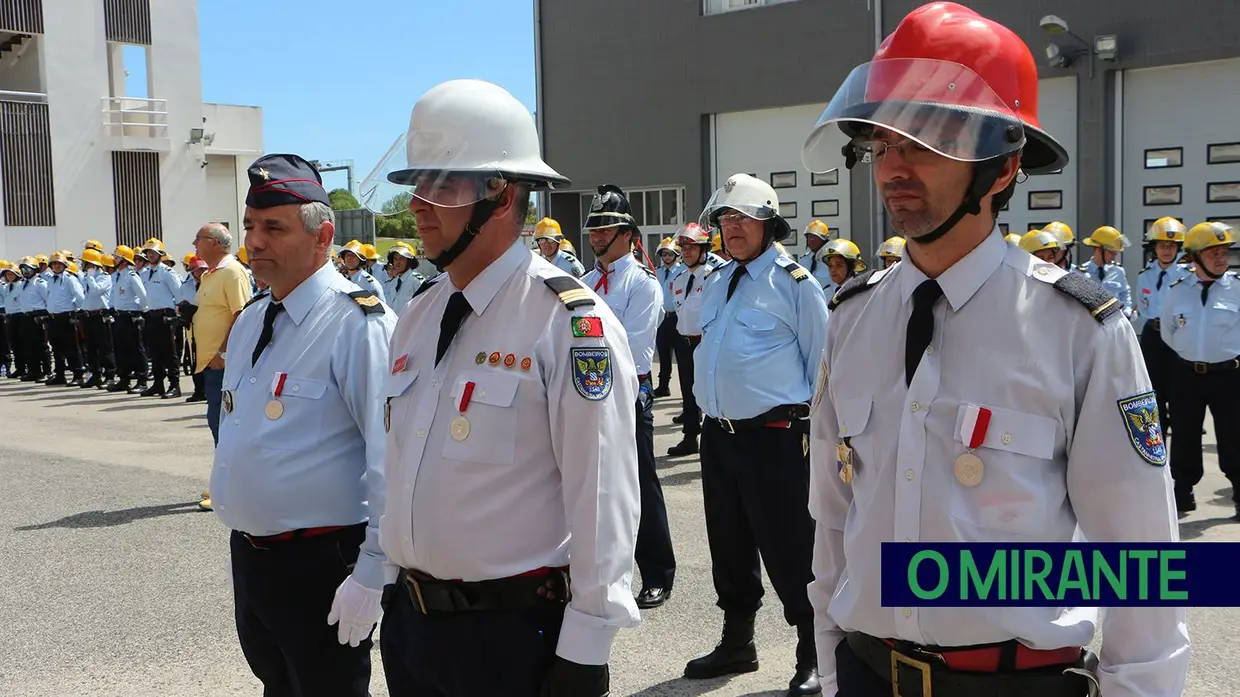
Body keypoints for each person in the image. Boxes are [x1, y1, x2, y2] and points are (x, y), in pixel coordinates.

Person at [800, 4, 1188, 696]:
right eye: (883, 141)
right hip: (867, 670)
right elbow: (834, 519)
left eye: (925, 139)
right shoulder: (852, 319)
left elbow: (1140, 556)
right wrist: (832, 667)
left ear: (1003, 166)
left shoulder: (1078, 328)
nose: (895, 164)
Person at [374, 78, 640, 697]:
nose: (417, 203)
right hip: (413, 629)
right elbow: (398, 466)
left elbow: (602, 496)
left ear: (501, 193)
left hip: (511, 636)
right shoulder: (417, 314)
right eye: (419, 184)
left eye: (440, 186)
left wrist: (587, 647)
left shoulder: (571, 322)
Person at [208, 153, 396, 697]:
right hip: (255, 557)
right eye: (248, 226)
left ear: (323, 236)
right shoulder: (251, 321)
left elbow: (389, 457)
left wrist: (372, 571)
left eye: (273, 227)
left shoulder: (357, 323)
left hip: (322, 561)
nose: (255, 242)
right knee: (279, 686)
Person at [684, 173, 829, 695]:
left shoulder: (796, 284)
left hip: (775, 437)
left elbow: (822, 369)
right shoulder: (720, 279)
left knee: (790, 546)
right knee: (728, 542)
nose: (732, 227)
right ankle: (737, 642)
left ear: (769, 223)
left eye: (742, 218)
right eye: (725, 218)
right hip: (719, 435)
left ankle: (814, 649)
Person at [582, 184, 678, 610]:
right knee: (588, 488)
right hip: (583, 396)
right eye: (594, 229)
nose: (598, 236)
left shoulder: (642, 285)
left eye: (607, 228)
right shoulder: (583, 282)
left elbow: (637, 353)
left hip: (624, 396)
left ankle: (656, 572)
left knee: (638, 486)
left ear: (628, 233)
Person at [1160, 220, 1240, 517]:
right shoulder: (1178, 291)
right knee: (1184, 434)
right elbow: (1169, 331)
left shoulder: (1237, 289)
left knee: (1234, 437)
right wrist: (1190, 354)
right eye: (1212, 252)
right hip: (1188, 375)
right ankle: (1183, 493)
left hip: (1230, 376)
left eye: (1224, 252)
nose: (1221, 258)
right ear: (1194, 258)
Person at [666, 222, 719, 457]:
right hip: (684, 342)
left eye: (691, 248)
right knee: (688, 392)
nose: (686, 252)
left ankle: (717, 438)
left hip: (706, 343)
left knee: (711, 391)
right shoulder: (678, 279)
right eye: (683, 248)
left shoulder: (714, 276)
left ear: (703, 249)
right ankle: (690, 437)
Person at [1135, 216, 1191, 435]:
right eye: (1162, 246)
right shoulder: (1145, 276)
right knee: (1153, 393)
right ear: (1154, 248)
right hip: (1153, 335)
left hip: (1179, 336)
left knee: (1179, 395)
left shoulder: (1188, 275)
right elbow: (1143, 305)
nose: (1167, 250)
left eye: (1172, 246)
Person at [138, 239, 183, 398]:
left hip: (166, 315)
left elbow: (179, 295)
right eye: (148, 253)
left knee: (169, 352)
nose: (150, 255)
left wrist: (177, 316)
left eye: (153, 253)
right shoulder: (144, 273)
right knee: (154, 351)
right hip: (151, 315)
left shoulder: (167, 273)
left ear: (160, 254)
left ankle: (174, 385)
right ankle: (158, 384)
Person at [108, 245, 149, 393]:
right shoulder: (118, 276)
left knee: (136, 349)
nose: (114, 259)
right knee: (121, 349)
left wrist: (138, 312)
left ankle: (142, 380)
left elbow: (143, 296)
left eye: (117, 257)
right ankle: (124, 379)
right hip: (119, 316)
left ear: (125, 261)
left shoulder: (132, 276)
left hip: (130, 317)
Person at [43, 251, 86, 386]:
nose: (56, 266)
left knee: (71, 347)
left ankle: (78, 374)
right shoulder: (50, 280)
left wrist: (74, 310)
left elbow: (80, 297)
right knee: (56, 348)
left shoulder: (70, 279)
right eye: (54, 264)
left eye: (59, 264)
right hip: (53, 318)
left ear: (64, 265)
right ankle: (60, 375)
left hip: (66, 317)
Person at [78, 248, 116, 389]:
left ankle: (110, 375)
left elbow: (95, 291)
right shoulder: (86, 277)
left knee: (105, 347)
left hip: (100, 316)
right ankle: (95, 374)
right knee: (91, 348)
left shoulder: (104, 277)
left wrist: (90, 277)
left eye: (87, 264)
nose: (84, 266)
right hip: (88, 316)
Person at [654, 236, 685, 397]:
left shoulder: (683, 271)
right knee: (663, 354)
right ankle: (663, 385)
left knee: (681, 357)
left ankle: (684, 391)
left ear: (676, 255)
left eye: (670, 254)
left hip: (677, 317)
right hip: (661, 318)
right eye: (664, 254)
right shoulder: (656, 272)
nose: (667, 257)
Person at [1080, 226, 1134, 319]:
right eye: (1111, 253)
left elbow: (1124, 293)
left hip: (1113, 323)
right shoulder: (1080, 273)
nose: (1114, 257)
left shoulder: (1118, 271)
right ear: (1099, 250)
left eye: (1115, 253)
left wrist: (1127, 310)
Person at [385, 241, 424, 314]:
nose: (397, 262)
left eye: (401, 259)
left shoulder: (416, 281)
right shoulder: (393, 283)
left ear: (409, 261)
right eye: (395, 259)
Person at [798, 220, 834, 287]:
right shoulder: (803, 261)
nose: (811, 239)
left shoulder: (832, 260)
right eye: (809, 236)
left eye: (815, 237)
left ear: (823, 239)